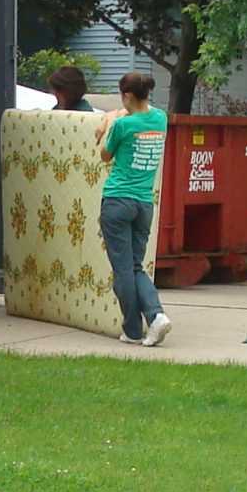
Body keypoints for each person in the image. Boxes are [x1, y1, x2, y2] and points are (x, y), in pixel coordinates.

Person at [95, 70, 172, 346]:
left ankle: (133, 329)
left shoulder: (122, 126)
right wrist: (119, 115)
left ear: (127, 95)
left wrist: (110, 122)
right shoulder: (160, 119)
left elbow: (105, 155)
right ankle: (155, 316)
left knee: (124, 270)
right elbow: (138, 116)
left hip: (117, 201)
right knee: (136, 266)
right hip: (143, 203)